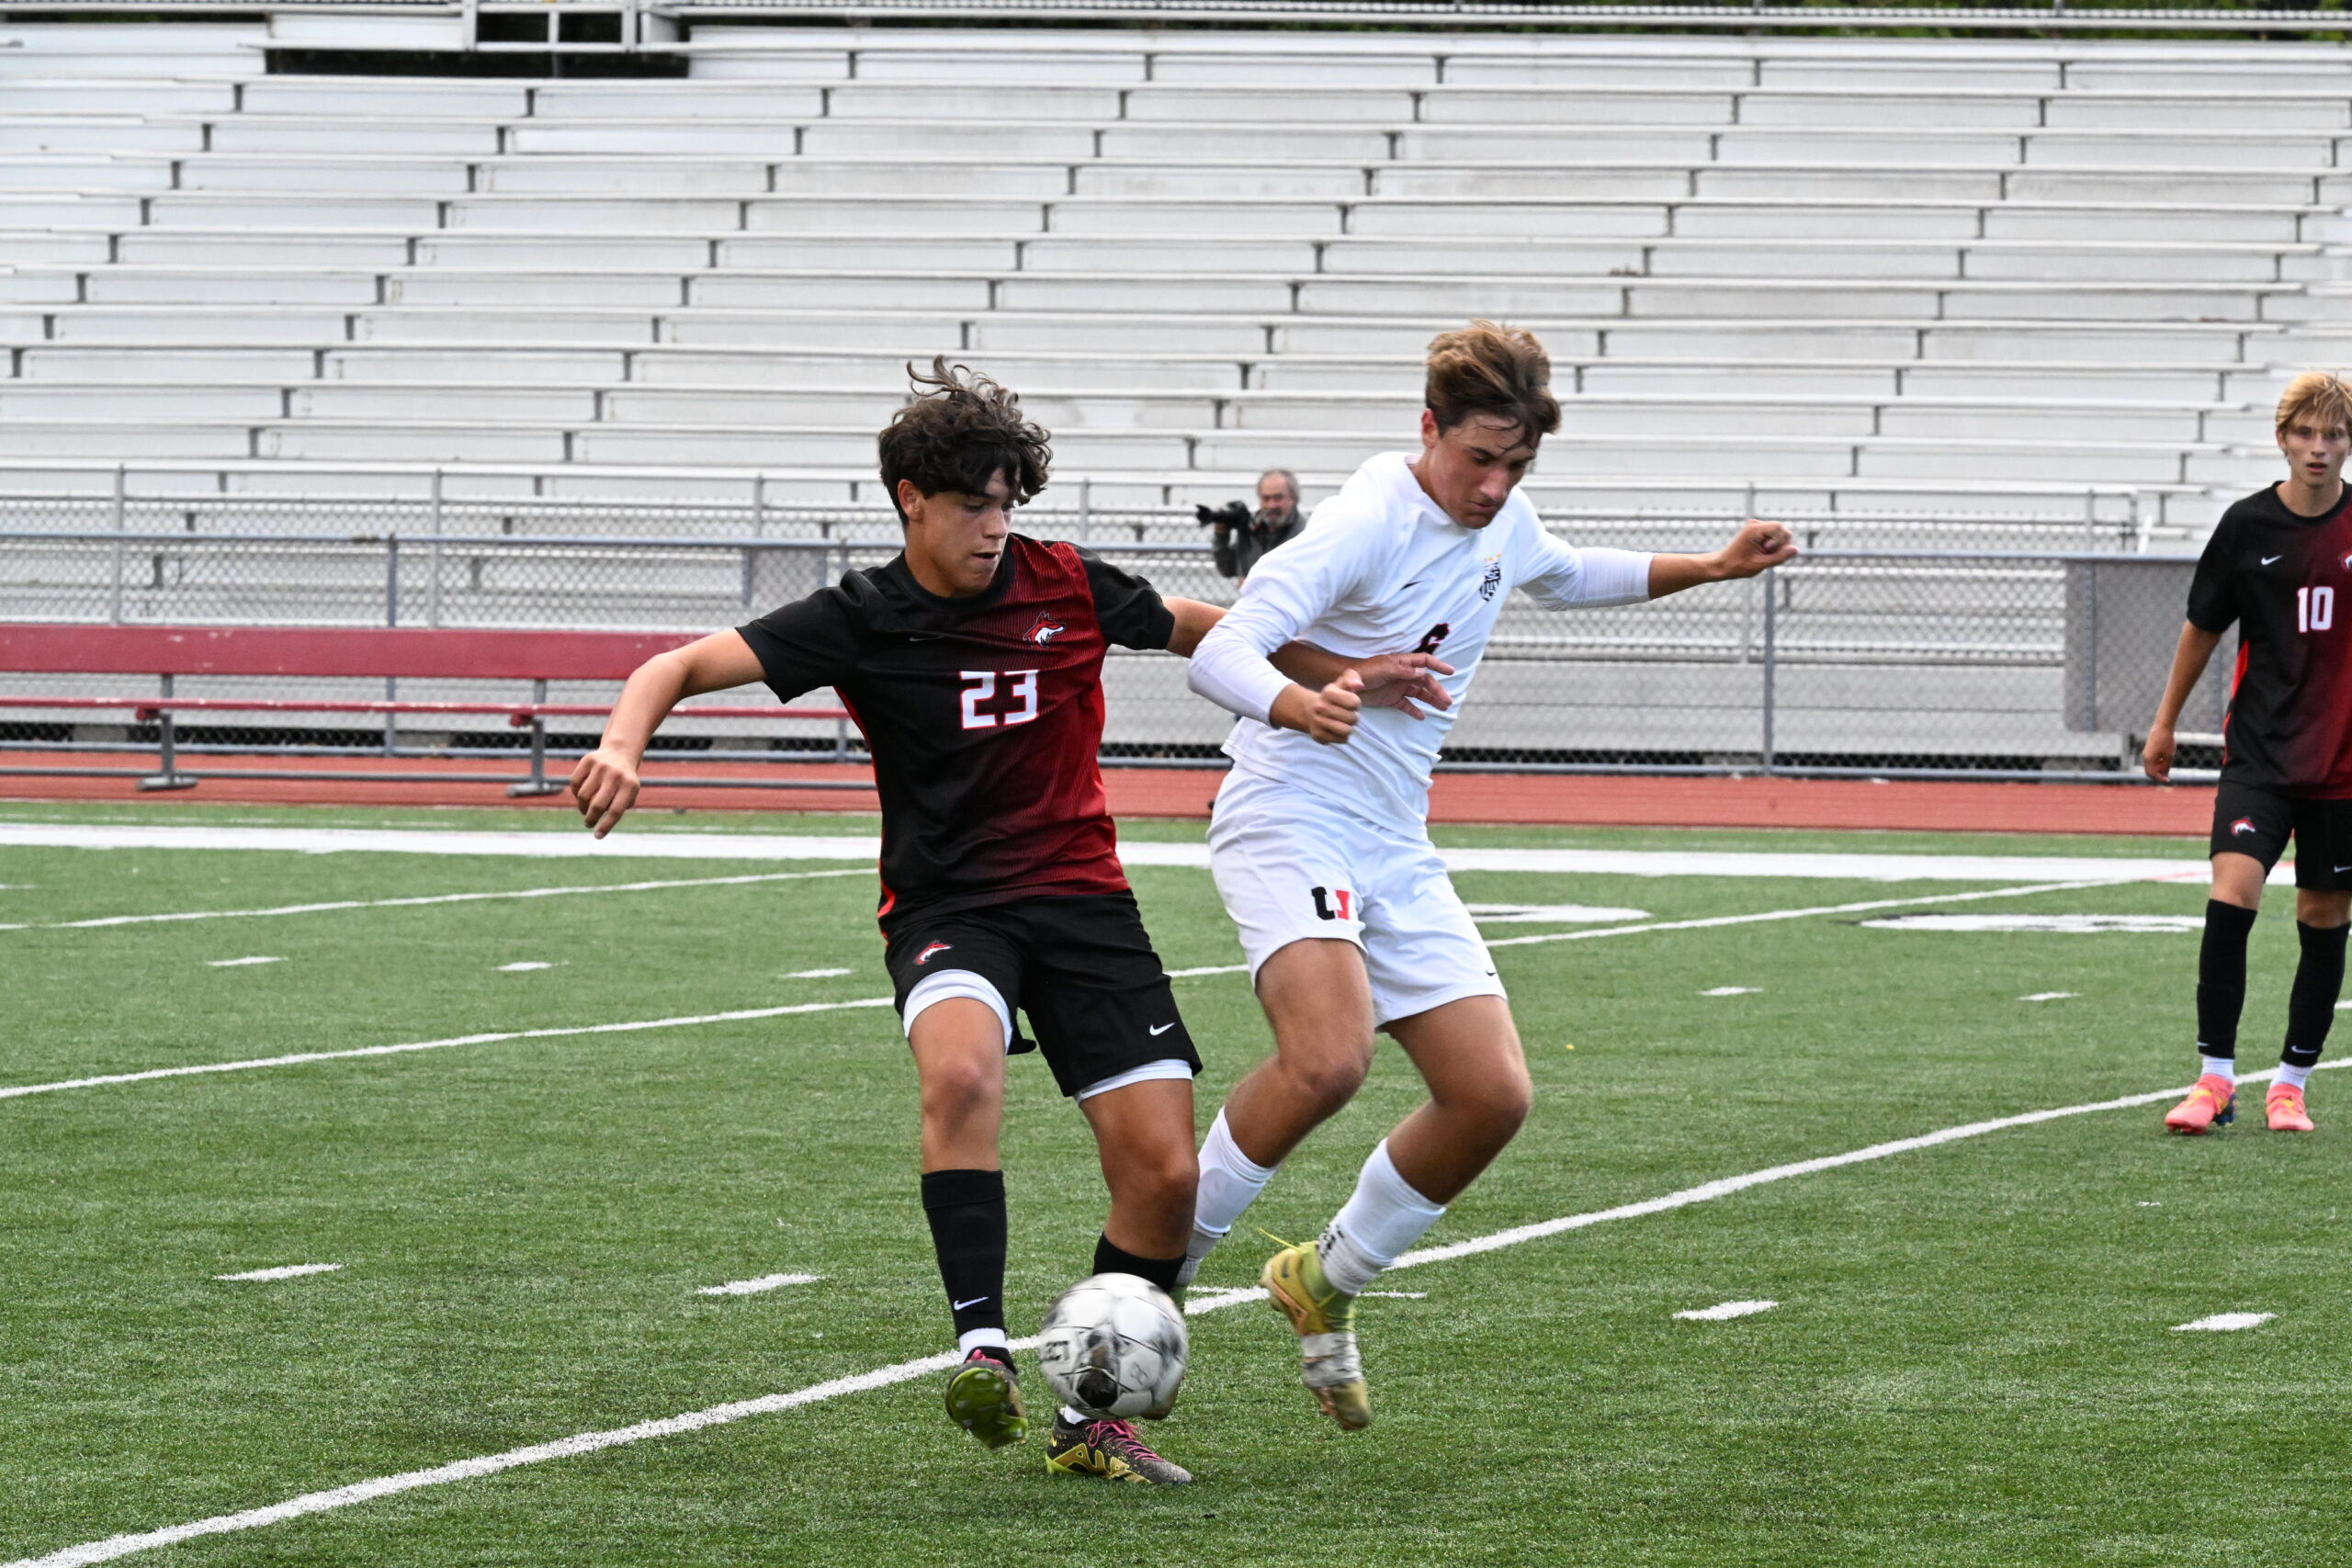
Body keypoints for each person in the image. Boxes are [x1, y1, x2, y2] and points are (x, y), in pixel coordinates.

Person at [566, 359, 1451, 1483]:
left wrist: (1351, 672)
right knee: (962, 1076)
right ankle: (980, 1344)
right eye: (971, 504)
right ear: (909, 500)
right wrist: (622, 744)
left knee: (1167, 1179)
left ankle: (1091, 1421)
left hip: (1083, 903)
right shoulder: (861, 615)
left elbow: (1205, 631)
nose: (992, 527)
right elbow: (679, 664)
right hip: (949, 908)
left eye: (1005, 503)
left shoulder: (1066, 582)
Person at [1177, 321, 1798, 1430]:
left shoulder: (1502, 514)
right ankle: (1147, 1277)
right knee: (1327, 1062)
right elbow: (1224, 641)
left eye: (1515, 465)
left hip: (1391, 839)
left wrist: (1706, 565)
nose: (1494, 484)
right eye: (1477, 459)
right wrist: (1306, 697)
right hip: (1289, 811)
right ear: (1428, 430)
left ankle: (1321, 1279)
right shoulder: (1364, 519)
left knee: (1491, 1096)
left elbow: (1564, 572)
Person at [2144, 370, 2352, 1136]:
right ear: (2283, 438)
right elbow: (2202, 627)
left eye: (2333, 435)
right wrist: (2165, 722)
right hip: (2259, 756)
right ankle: (2216, 1079)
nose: (2320, 448)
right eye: (2306, 434)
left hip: (2343, 767)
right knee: (2231, 898)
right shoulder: (2245, 526)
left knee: (2323, 918)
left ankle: (2290, 1085)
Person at [1211, 468, 1307, 581]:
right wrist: (1221, 534)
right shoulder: (1250, 527)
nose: (1271, 505)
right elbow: (1227, 569)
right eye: (1266, 499)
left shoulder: (1307, 532)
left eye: (1278, 498)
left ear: (1294, 498)